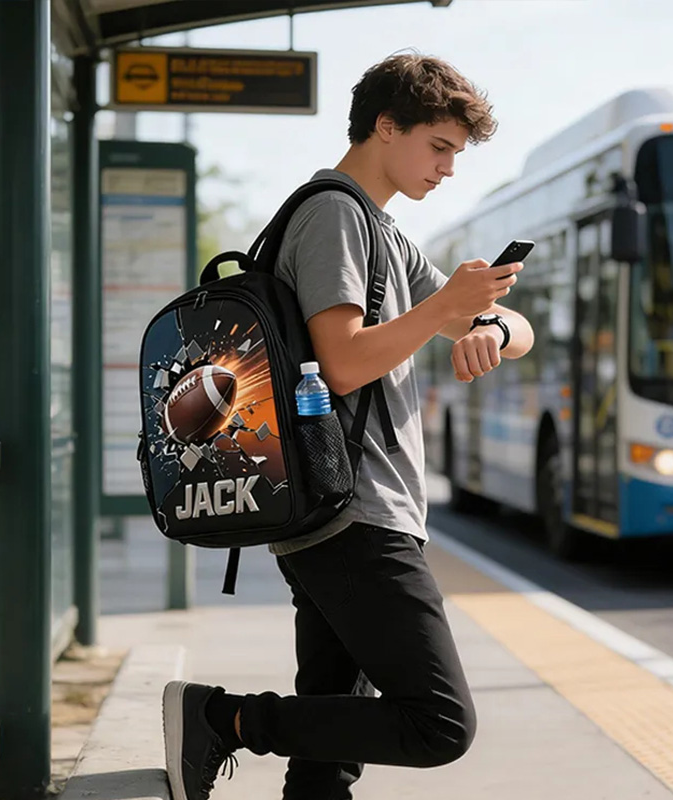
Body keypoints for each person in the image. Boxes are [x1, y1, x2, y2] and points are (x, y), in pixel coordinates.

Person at [162, 53, 535, 800]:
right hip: (353, 513)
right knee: (439, 723)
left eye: (457, 154)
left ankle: (224, 725)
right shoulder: (334, 215)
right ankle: (223, 718)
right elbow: (341, 364)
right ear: (386, 126)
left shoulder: (385, 233)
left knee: (327, 761)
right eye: (439, 147)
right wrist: (444, 310)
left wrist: (490, 327)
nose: (449, 169)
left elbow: (517, 327)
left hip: (355, 508)